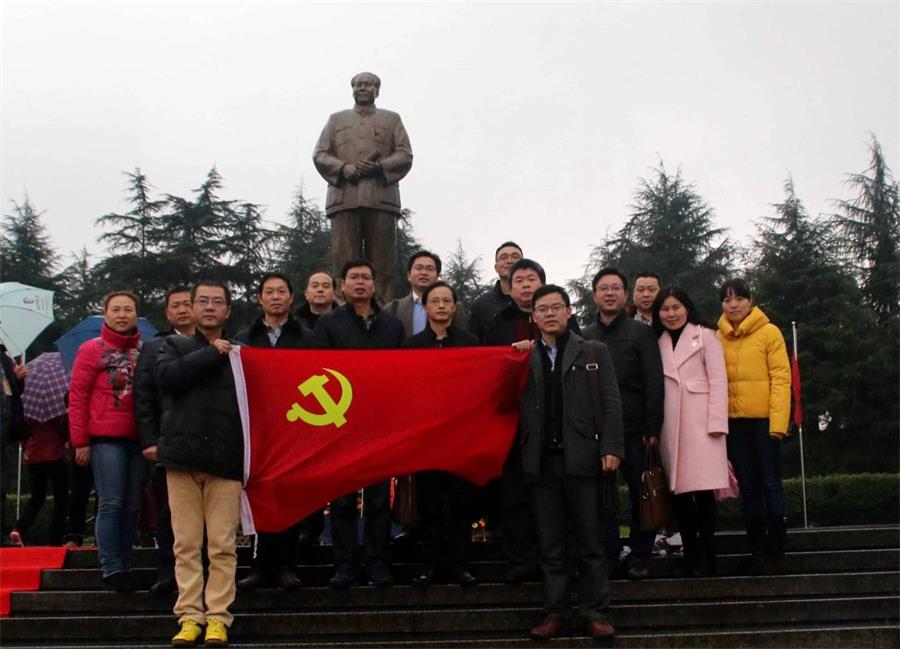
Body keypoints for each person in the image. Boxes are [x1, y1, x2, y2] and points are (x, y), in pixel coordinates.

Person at [518, 285, 623, 640]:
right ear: (533, 317)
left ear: (568, 311)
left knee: (591, 541)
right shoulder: (525, 356)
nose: (549, 314)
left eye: (556, 307)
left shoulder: (593, 351)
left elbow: (611, 402)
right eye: (542, 309)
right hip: (542, 462)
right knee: (551, 543)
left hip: (584, 458)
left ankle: (595, 612)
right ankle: (556, 611)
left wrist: (611, 447)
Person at [156, 281, 243, 647]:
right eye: (203, 301)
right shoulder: (171, 346)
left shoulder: (241, 354)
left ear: (228, 310)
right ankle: (190, 614)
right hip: (181, 458)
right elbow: (166, 380)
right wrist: (211, 353)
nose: (210, 307)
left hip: (226, 460)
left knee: (222, 545)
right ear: (190, 308)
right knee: (186, 544)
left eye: (217, 302)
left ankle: (219, 616)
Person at [310, 260, 405, 589]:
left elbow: (402, 371)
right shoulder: (328, 324)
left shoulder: (392, 326)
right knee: (343, 498)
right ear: (343, 285)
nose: (360, 282)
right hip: (341, 421)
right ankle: (345, 563)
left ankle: (378, 561)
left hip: (379, 422)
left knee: (379, 498)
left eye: (366, 277)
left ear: (374, 285)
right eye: (354, 278)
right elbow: (317, 370)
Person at [582, 267, 664, 580]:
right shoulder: (585, 336)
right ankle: (609, 553)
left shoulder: (641, 333)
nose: (610, 293)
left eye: (615, 287)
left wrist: (652, 429)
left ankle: (640, 554)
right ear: (594, 295)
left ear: (625, 294)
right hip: (596, 432)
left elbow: (654, 383)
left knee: (641, 495)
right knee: (601, 499)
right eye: (603, 288)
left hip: (635, 429)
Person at [235, 272, 312, 592]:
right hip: (258, 429)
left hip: (295, 425)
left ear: (292, 298)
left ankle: (286, 566)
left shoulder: (307, 338)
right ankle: (259, 565)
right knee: (259, 496)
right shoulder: (244, 338)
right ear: (260, 299)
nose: (276, 297)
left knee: (290, 497)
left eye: (282, 291)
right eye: (269, 292)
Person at [68, 291, 147, 591]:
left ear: (136, 314)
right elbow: (78, 397)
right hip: (104, 438)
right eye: (116, 309)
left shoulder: (145, 350)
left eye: (128, 309)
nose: (122, 315)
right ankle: (111, 566)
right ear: (106, 314)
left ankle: (126, 563)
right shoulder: (91, 349)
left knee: (133, 505)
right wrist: (80, 441)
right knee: (111, 502)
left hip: (139, 439)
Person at [403, 280, 479, 588]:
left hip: (461, 437)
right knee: (430, 504)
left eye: (447, 301)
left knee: (461, 503)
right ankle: (430, 564)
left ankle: (461, 564)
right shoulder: (411, 346)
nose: (442, 306)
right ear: (425, 307)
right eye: (435, 301)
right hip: (427, 439)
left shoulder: (471, 343)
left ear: (455, 307)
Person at [313, 72, 413, 301]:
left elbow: (405, 154)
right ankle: (343, 312)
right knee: (343, 264)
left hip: (381, 199)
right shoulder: (336, 120)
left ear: (377, 90)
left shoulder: (392, 119)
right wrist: (343, 168)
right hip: (344, 198)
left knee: (383, 265)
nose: (362, 88)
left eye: (368, 84)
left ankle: (383, 310)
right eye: (358, 85)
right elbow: (320, 154)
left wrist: (379, 167)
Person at [652, 287, 729, 577]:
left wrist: (717, 423)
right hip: (670, 426)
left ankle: (708, 554)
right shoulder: (656, 341)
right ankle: (690, 554)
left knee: (704, 494)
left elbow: (719, 381)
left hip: (702, 427)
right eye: (665, 309)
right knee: (680, 496)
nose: (671, 314)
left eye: (676, 307)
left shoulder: (705, 335)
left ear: (687, 308)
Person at [717, 278, 791, 575]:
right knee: (747, 487)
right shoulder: (717, 337)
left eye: (739, 298)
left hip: (764, 422)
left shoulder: (769, 332)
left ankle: (777, 550)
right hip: (734, 424)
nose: (733, 305)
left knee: (770, 482)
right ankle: (757, 551)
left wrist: (778, 424)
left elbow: (781, 379)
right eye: (727, 300)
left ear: (751, 301)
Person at [133, 286, 195, 595]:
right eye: (176, 305)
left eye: (188, 303)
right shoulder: (154, 347)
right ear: (167, 313)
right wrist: (149, 440)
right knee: (169, 512)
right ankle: (168, 570)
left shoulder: (215, 344)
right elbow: (143, 396)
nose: (183, 309)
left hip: (207, 443)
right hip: (166, 442)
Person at [9, 414, 68, 546]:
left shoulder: (29, 408)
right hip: (55, 453)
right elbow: (63, 428)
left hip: (34, 454)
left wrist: (25, 445)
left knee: (37, 497)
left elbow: (22, 429)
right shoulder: (57, 409)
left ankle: (19, 528)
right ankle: (55, 539)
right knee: (61, 497)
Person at [467, 241, 523, 341]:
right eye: (503, 257)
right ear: (496, 267)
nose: (509, 261)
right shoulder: (481, 305)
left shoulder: (536, 301)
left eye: (515, 257)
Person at [0, 345, 28, 543]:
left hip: (4, 428)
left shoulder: (5, 358)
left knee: (1, 485)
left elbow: (13, 393)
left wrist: (19, 379)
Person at [386, 250, 441, 337]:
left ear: (437, 276)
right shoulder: (393, 308)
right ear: (409, 275)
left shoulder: (453, 308)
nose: (424, 273)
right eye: (419, 268)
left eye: (430, 269)